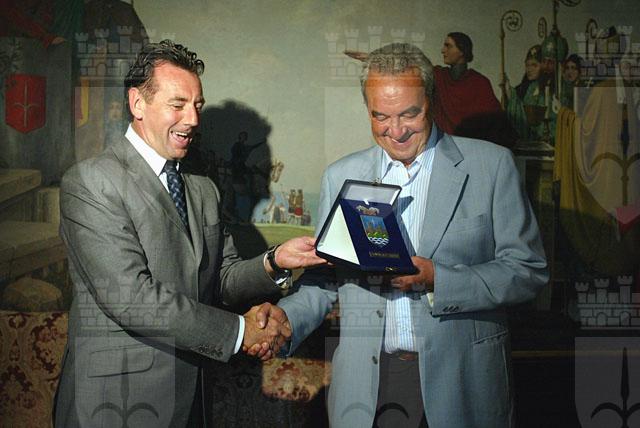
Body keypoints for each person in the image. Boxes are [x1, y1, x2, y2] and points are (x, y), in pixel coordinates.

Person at [258, 43, 548, 428]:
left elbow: (528, 270)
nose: (395, 131)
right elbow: (326, 279)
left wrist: (439, 279)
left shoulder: (492, 166)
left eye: (410, 114)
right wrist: (285, 318)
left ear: (431, 101)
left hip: (463, 383)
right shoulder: (340, 176)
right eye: (380, 116)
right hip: (368, 388)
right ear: (367, 108)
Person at [53, 40, 326, 428]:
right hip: (113, 405)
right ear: (137, 103)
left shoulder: (202, 189)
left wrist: (274, 260)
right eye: (178, 104)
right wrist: (241, 332)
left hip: (190, 402)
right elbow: (132, 298)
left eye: (197, 105)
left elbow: (222, 279)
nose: (193, 119)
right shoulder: (92, 182)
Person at [433, 32, 516, 148]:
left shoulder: (479, 82)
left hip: (473, 147)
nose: (443, 50)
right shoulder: (439, 77)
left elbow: (495, 121)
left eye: (448, 46)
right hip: (443, 146)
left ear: (462, 51)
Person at [505, 45, 547, 142]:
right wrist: (508, 91)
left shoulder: (547, 89)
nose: (529, 69)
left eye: (534, 65)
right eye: (527, 65)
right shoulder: (520, 89)